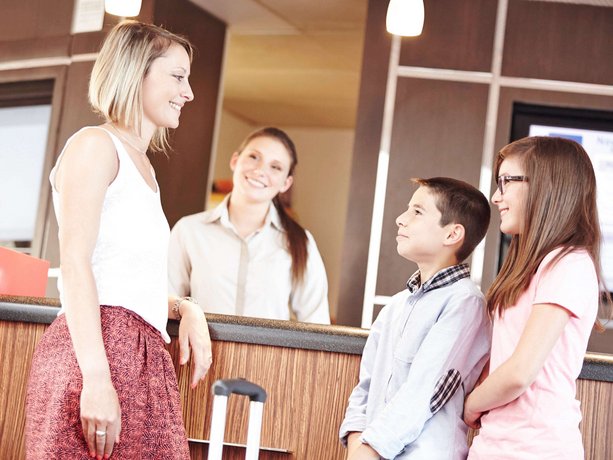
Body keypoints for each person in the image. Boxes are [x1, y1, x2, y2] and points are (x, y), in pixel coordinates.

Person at [25, 21, 212, 460]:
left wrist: (186, 307)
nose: (188, 93)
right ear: (135, 72)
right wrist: (95, 379)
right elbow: (75, 264)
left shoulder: (144, 168)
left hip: (143, 356)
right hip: (96, 355)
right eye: (178, 76)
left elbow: (124, 277)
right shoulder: (95, 145)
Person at [465, 137, 606, 459]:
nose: (496, 197)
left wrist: (470, 405)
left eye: (506, 181)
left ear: (546, 185)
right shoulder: (533, 265)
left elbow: (519, 373)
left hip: (537, 449)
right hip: (494, 445)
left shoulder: (569, 263)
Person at [339, 177, 492, 459]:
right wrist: (357, 440)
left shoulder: (465, 302)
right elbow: (365, 386)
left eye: (417, 212)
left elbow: (427, 390)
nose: (401, 219)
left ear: (452, 234)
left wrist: (370, 450)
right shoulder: (395, 305)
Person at [168, 127, 330, 323]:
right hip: (198, 344)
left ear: (286, 183)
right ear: (235, 161)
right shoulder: (189, 231)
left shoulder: (301, 243)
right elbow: (164, 299)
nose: (260, 170)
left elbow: (317, 323)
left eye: (275, 167)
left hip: (270, 346)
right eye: (254, 157)